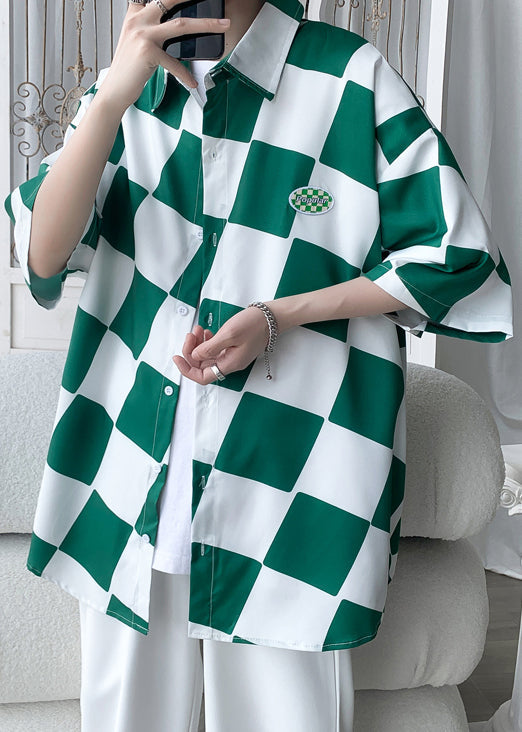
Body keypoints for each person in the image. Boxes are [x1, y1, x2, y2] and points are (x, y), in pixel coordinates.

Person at [5, 0, 513, 730]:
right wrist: (112, 97)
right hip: (133, 482)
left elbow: (456, 255)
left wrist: (284, 314)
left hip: (295, 482)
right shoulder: (128, 89)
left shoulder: (350, 78)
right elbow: (42, 257)